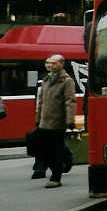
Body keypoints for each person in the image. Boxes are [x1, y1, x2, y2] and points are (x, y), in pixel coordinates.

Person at [35, 54, 76, 188]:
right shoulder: (46, 80)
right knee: (43, 150)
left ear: (61, 64)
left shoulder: (66, 81)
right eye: (47, 63)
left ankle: (56, 177)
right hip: (44, 122)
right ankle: (67, 157)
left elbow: (70, 101)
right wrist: (37, 118)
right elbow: (40, 102)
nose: (49, 65)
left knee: (55, 150)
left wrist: (70, 120)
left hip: (58, 121)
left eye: (53, 63)